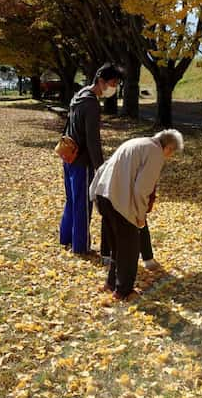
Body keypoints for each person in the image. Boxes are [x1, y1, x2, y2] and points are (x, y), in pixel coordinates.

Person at [90, 129, 184, 301]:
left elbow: (104, 167)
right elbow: (142, 189)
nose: (169, 157)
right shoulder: (155, 153)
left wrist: (93, 194)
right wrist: (140, 216)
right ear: (168, 148)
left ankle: (111, 284)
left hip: (103, 195)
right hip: (119, 201)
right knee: (130, 248)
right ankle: (123, 291)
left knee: (117, 246)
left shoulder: (135, 142)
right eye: (171, 153)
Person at [59, 63, 124, 256]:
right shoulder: (92, 104)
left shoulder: (79, 96)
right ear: (101, 81)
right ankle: (80, 246)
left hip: (68, 156)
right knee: (82, 204)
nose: (114, 87)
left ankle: (65, 238)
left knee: (71, 200)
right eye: (113, 83)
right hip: (81, 161)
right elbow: (92, 140)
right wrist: (100, 168)